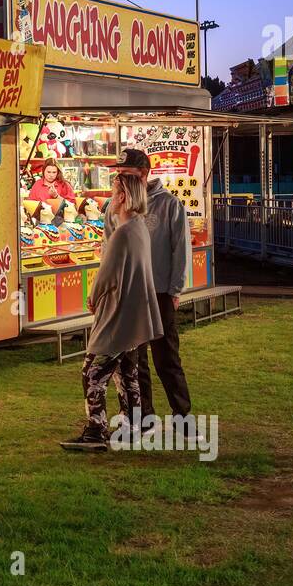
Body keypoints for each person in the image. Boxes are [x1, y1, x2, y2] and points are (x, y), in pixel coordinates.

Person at [61, 172, 164, 451]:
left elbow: (107, 274)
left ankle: (96, 430)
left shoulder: (122, 233)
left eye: (114, 190)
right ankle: (132, 426)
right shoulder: (139, 228)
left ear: (123, 197)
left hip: (118, 315)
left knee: (93, 371)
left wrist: (93, 296)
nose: (109, 197)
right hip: (134, 313)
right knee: (127, 371)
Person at [108, 148, 192, 421]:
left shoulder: (168, 204)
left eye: (126, 173)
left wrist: (175, 289)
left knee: (166, 357)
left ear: (144, 174)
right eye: (118, 174)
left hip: (159, 291)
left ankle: (182, 415)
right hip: (130, 293)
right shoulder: (114, 207)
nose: (119, 179)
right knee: (134, 359)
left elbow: (180, 249)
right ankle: (144, 416)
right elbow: (109, 250)